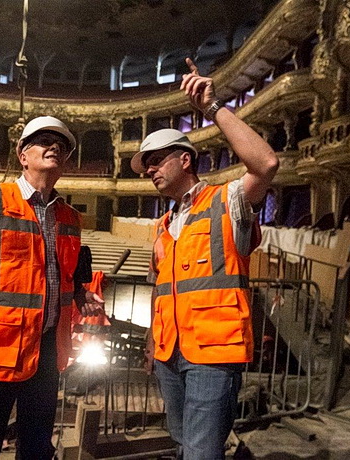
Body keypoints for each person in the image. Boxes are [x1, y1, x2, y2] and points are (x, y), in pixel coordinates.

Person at [134, 58, 278, 459]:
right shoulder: (163, 225)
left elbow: (266, 164)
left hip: (214, 355)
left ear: (185, 159)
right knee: (185, 446)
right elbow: (160, 292)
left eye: (156, 160)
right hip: (168, 355)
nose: (150, 170)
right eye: (146, 165)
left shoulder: (225, 201)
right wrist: (151, 344)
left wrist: (213, 109)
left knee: (201, 452)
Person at [0, 116, 105, 460]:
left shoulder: (69, 218)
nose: (55, 147)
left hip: (45, 351)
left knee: (36, 448)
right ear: (22, 155)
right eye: (44, 140)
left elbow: (60, 274)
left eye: (63, 146)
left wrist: (79, 293)